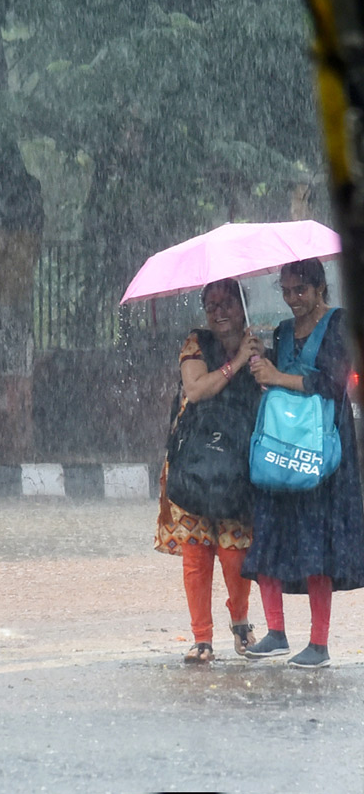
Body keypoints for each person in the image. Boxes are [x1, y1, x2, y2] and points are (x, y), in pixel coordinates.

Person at [243, 258, 364, 668]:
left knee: (318, 544)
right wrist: (262, 362)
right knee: (270, 533)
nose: (293, 299)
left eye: (301, 291)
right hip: (281, 443)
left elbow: (330, 383)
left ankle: (319, 643)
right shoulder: (280, 331)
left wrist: (277, 377)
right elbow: (273, 378)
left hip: (322, 447)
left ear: (318, 288)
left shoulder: (338, 324)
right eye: (287, 291)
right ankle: (275, 632)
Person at [155, 278, 263, 663]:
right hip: (195, 462)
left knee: (236, 550)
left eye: (226, 303)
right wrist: (235, 365)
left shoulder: (260, 345)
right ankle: (201, 637)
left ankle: (241, 623)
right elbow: (196, 390)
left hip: (239, 462)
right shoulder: (196, 342)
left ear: (242, 305)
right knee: (196, 551)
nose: (218, 312)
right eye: (210, 304)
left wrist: (259, 362)